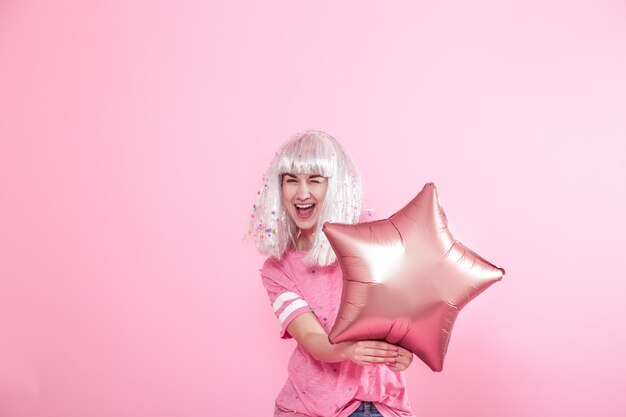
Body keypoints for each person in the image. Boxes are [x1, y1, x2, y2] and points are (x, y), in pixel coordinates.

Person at [247, 130, 415, 417]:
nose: (302, 193)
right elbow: (312, 337)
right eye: (291, 181)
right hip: (305, 408)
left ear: (335, 186)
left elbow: (405, 310)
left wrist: (405, 351)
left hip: (378, 404)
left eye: (315, 180)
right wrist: (346, 350)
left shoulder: (369, 239)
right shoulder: (278, 269)